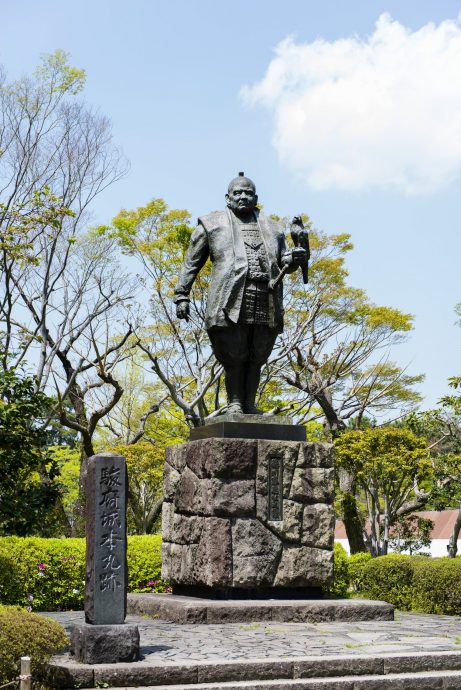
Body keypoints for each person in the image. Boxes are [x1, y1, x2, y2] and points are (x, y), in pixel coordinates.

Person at [174, 173, 307, 414]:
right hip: (230, 297)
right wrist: (182, 295)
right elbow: (191, 263)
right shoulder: (211, 224)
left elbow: (284, 260)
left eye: (248, 193)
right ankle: (234, 402)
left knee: (258, 353)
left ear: (256, 198)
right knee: (234, 353)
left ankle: (249, 405)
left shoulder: (274, 228)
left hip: (266, 295)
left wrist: (295, 258)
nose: (243, 196)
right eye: (238, 193)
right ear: (228, 198)